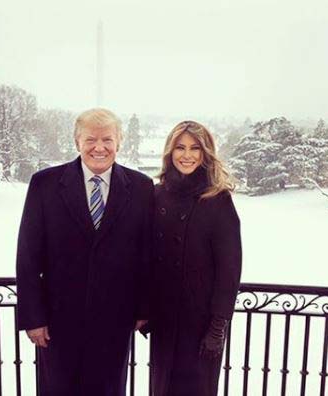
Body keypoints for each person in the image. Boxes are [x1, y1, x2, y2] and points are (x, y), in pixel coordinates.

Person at [16, 108, 154, 396]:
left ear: (120, 142)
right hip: (57, 324)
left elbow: (146, 254)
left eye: (107, 139)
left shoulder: (141, 187)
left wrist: (143, 309)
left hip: (114, 323)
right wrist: (33, 317)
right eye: (91, 139)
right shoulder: (45, 184)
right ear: (77, 141)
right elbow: (28, 256)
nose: (99, 147)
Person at [149, 120, 242, 396]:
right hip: (165, 321)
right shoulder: (157, 195)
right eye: (180, 147)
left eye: (194, 148)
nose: (186, 155)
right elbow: (146, 256)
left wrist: (217, 327)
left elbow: (230, 269)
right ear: (170, 151)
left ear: (205, 154)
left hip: (201, 325)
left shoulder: (218, 199)